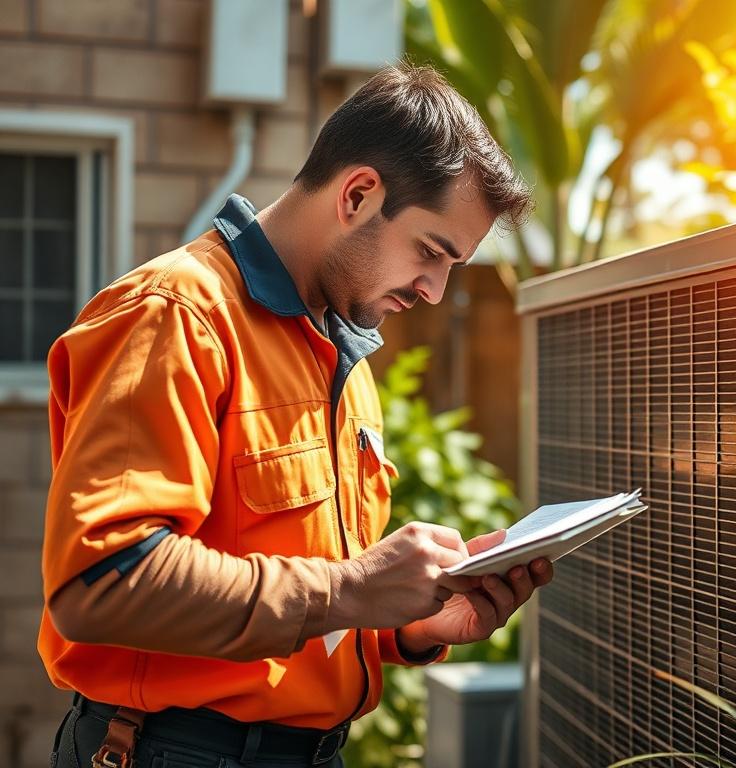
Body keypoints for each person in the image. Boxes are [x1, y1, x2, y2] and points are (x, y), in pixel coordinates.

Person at [40, 63, 550, 768]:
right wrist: (350, 588)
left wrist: (414, 622)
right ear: (359, 194)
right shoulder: (176, 314)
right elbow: (103, 583)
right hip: (171, 751)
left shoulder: (344, 357)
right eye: (431, 253)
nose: (434, 290)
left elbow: (320, 607)